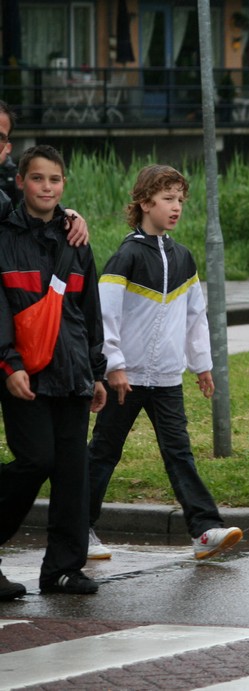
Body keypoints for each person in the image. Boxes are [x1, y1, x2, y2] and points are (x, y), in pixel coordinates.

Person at [85, 164, 242, 562]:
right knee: (104, 452)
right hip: (127, 378)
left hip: (168, 379)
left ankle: (205, 530)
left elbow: (195, 316)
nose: (176, 207)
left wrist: (201, 364)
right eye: (168, 199)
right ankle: (76, 528)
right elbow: (105, 316)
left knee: (179, 453)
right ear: (144, 202)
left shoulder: (183, 257)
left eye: (180, 200)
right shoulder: (126, 256)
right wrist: (114, 365)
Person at [0, 145, 107, 600]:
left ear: (64, 184)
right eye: (38, 178)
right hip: (23, 374)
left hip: (73, 372)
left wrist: (97, 372)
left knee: (72, 473)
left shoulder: (76, 239)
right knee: (36, 460)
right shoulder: (3, 238)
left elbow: (90, 311)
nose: (47, 187)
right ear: (20, 181)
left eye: (55, 179)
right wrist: (9, 364)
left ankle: (63, 570)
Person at [0, 100, 89, 243]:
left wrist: (66, 214)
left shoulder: (3, 204)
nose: (47, 186)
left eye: (0, 137)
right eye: (37, 178)